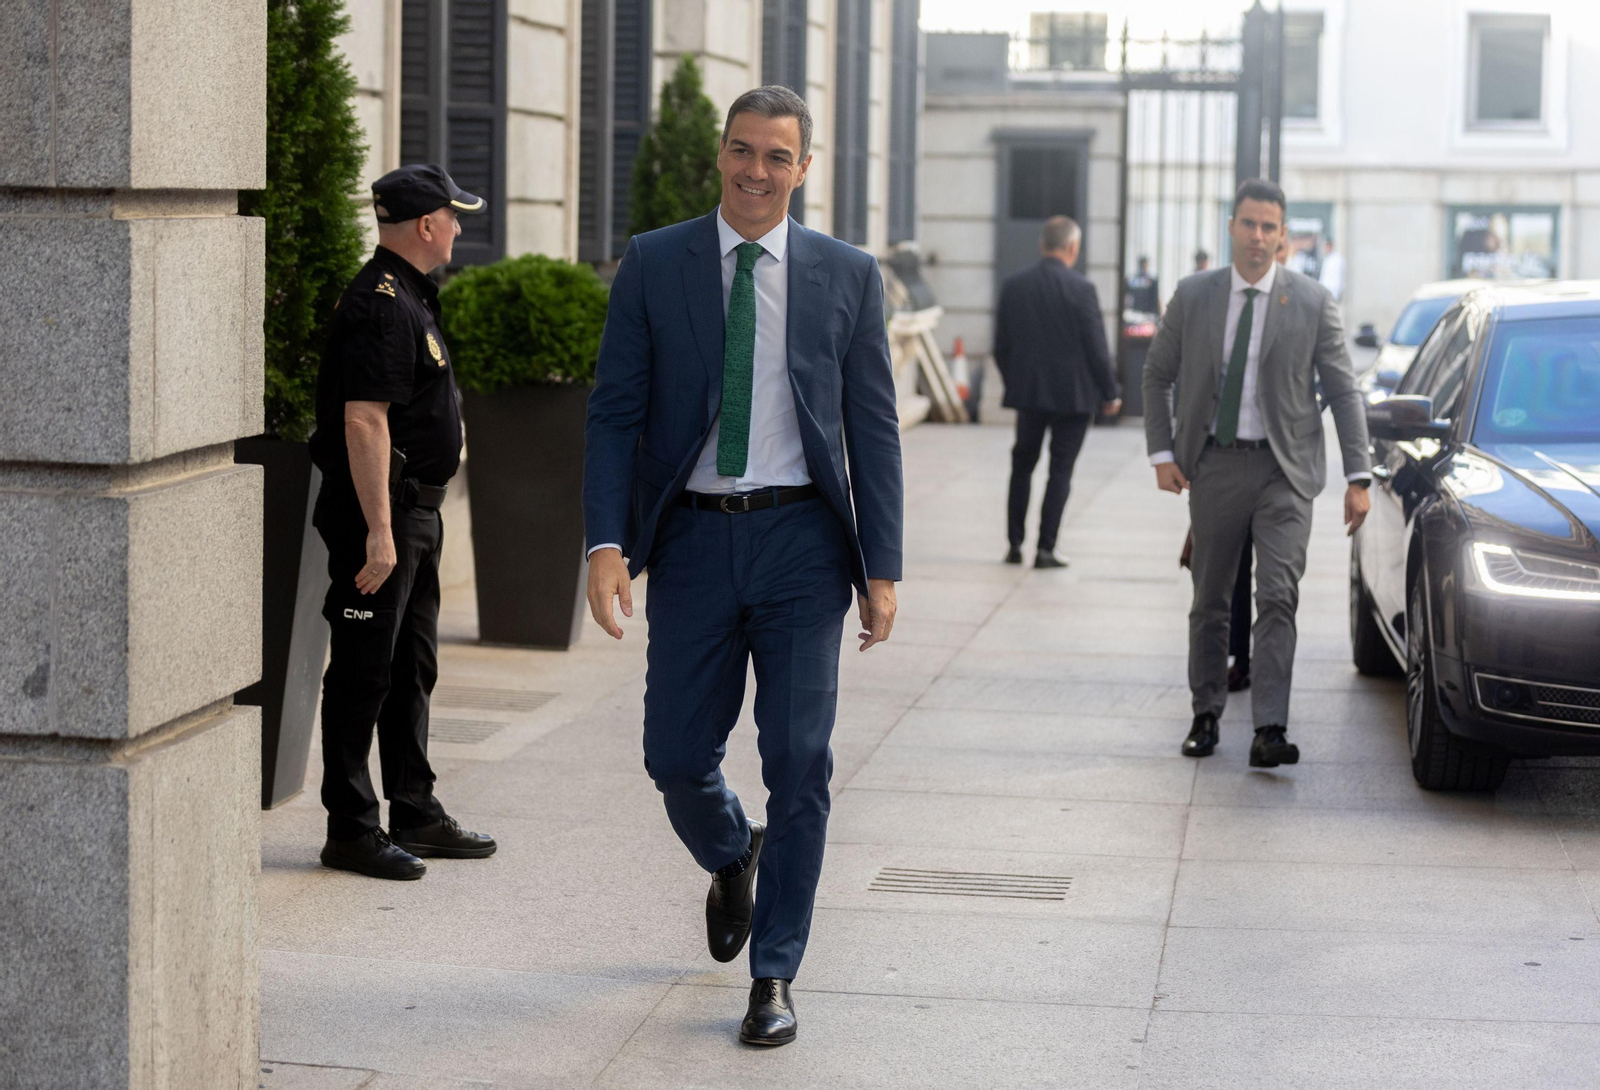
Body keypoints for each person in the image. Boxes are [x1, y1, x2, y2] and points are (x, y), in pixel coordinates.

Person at [582, 86, 903, 1047]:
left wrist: (881, 567)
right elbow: (614, 413)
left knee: (800, 760)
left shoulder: (848, 275)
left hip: (803, 543)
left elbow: (873, 427)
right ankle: (733, 852)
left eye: (776, 156)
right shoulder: (656, 261)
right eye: (741, 150)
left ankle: (775, 973)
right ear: (720, 154)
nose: (755, 171)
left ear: (804, 168)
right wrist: (606, 542)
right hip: (691, 541)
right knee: (675, 755)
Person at [308, 164, 497, 881]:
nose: (459, 227)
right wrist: (379, 532)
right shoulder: (382, 304)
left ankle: (414, 809)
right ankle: (351, 828)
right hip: (381, 520)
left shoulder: (409, 294)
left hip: (415, 513)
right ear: (425, 224)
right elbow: (364, 421)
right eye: (454, 215)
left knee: (410, 668)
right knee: (363, 673)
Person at [1143, 178, 1371, 767]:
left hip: (1284, 472)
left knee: (1277, 596)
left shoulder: (1313, 301)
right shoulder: (1195, 295)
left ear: (1284, 236)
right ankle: (1205, 714)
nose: (1258, 236)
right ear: (1231, 227)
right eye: (1249, 223)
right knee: (1210, 599)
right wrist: (1162, 454)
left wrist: (1359, 476)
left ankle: (1270, 727)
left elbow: (1344, 391)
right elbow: (1157, 374)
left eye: (1270, 227)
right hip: (1215, 465)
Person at [994, 216, 1122, 569]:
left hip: (1030, 396)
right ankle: (1046, 549)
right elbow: (1096, 348)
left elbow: (1001, 347)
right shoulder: (1082, 289)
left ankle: (1014, 544)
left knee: (1022, 466)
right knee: (1060, 471)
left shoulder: (1014, 286)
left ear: (1042, 245)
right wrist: (1110, 392)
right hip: (1074, 398)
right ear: (1073, 247)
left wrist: (1016, 381)